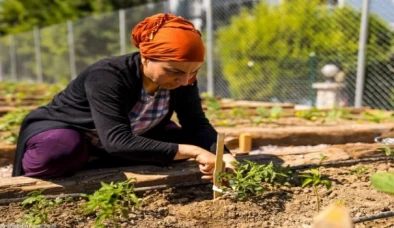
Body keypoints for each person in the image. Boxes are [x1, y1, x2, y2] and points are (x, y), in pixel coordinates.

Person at [12, 13, 237, 179]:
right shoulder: (108, 75)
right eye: (174, 71)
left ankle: (99, 159)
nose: (184, 81)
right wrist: (194, 151)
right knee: (60, 151)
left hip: (123, 137)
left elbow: (196, 123)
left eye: (193, 72)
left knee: (186, 141)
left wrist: (223, 155)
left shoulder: (185, 78)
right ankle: (85, 158)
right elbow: (117, 140)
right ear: (146, 58)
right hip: (74, 133)